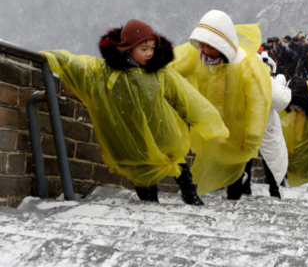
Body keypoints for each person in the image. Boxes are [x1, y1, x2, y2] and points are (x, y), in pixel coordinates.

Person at [41, 19, 229, 205]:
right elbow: (78, 65)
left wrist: (210, 123)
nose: (149, 53)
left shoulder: (158, 73)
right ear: (128, 48)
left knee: (177, 163)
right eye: (144, 49)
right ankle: (149, 201)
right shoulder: (106, 72)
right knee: (140, 170)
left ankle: (189, 193)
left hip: (161, 130)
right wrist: (50, 58)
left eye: (152, 48)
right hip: (132, 136)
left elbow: (185, 97)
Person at [169, 10, 272, 200]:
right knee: (214, 161)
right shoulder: (197, 56)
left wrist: (251, 137)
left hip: (237, 129)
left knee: (234, 168)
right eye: (203, 45)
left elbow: (257, 102)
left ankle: (233, 201)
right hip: (211, 127)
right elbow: (171, 64)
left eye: (211, 47)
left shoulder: (245, 65)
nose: (206, 51)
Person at [259, 71, 292, 198]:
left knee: (244, 155)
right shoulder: (264, 79)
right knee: (272, 155)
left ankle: (236, 188)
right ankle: (274, 188)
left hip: (240, 121)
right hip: (264, 122)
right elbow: (281, 100)